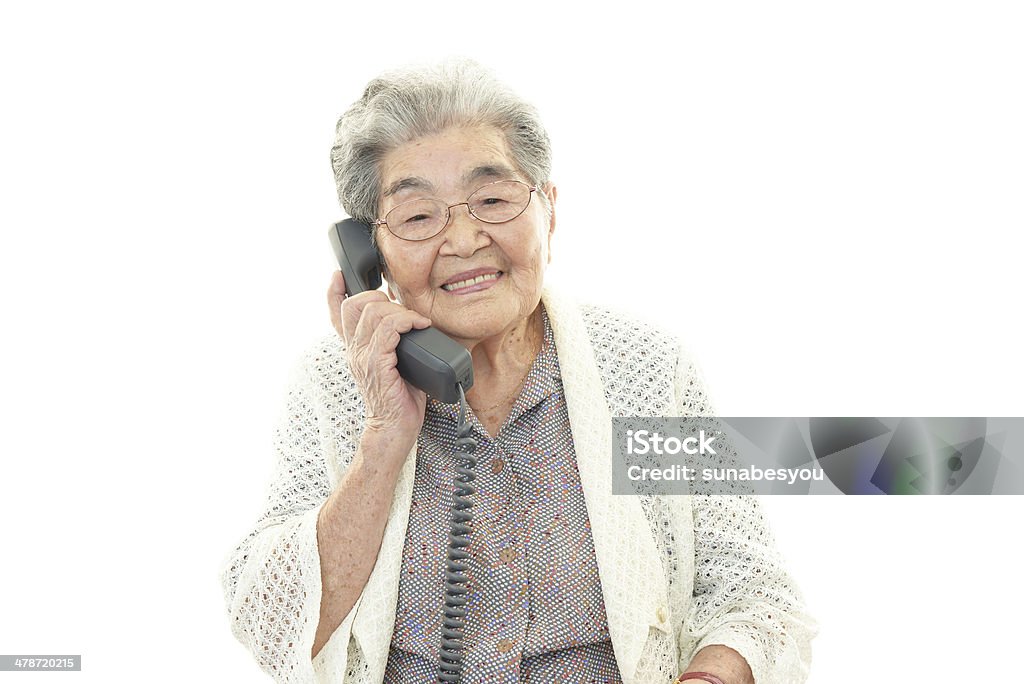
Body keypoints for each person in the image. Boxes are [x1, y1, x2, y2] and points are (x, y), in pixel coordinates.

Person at [220, 59, 815, 684]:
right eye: (419, 216)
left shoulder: (641, 368)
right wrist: (383, 436)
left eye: (493, 200)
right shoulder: (334, 385)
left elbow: (754, 598)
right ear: (371, 253)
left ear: (548, 212)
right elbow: (274, 622)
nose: (464, 239)